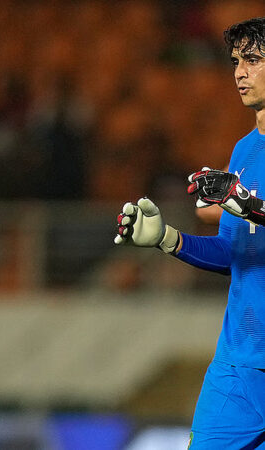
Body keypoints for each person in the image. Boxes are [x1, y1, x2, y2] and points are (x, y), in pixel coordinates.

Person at [115, 17, 265, 449]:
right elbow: (234, 251)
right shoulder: (243, 150)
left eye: (253, 60)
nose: (239, 71)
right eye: (236, 61)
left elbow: (251, 211)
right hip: (238, 366)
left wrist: (249, 206)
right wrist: (166, 238)